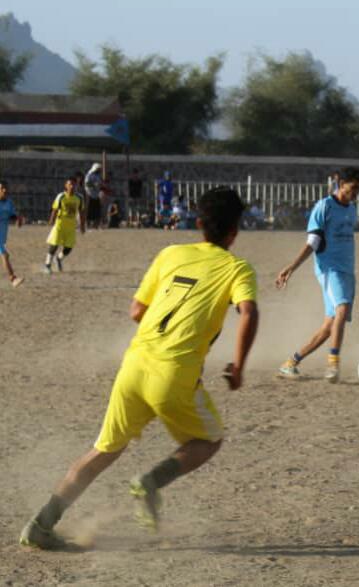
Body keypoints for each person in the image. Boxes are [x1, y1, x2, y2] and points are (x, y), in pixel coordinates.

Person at [20, 187, 260, 550]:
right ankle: (150, 482)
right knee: (210, 440)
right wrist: (238, 366)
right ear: (235, 232)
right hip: (174, 373)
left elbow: (136, 311)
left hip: (134, 365)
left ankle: (41, 524)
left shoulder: (170, 253)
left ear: (197, 224)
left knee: (102, 451)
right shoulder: (237, 267)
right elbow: (249, 313)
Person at [275, 167, 359, 383]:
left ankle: (290, 363)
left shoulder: (352, 209)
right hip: (329, 270)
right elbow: (313, 242)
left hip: (347, 272)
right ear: (341, 183)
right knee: (341, 309)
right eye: (354, 188)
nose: (356, 193)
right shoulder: (323, 207)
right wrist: (291, 267)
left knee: (329, 326)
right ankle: (333, 365)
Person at [44, 177, 85, 274]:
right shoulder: (61, 196)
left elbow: (81, 211)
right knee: (54, 245)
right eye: (70, 184)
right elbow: (55, 209)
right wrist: (51, 220)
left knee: (69, 248)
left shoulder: (79, 198)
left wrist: (82, 225)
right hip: (60, 224)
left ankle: (58, 259)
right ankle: (47, 265)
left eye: (74, 184)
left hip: (71, 226)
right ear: (66, 186)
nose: (72, 186)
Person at [0, 180, 24, 287]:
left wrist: (18, 219)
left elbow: (12, 215)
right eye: (1, 188)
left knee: (5, 255)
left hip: (2, 235)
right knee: (4, 255)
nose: (4, 190)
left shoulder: (9, 202)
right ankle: (13, 279)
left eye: (5, 188)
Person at [84, 163, 103, 230]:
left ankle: (95, 225)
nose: (99, 170)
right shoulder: (89, 175)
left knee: (97, 210)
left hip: (96, 195)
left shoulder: (98, 176)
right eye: (98, 169)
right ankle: (87, 224)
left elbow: (100, 184)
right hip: (89, 194)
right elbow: (87, 183)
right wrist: (94, 185)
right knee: (89, 210)